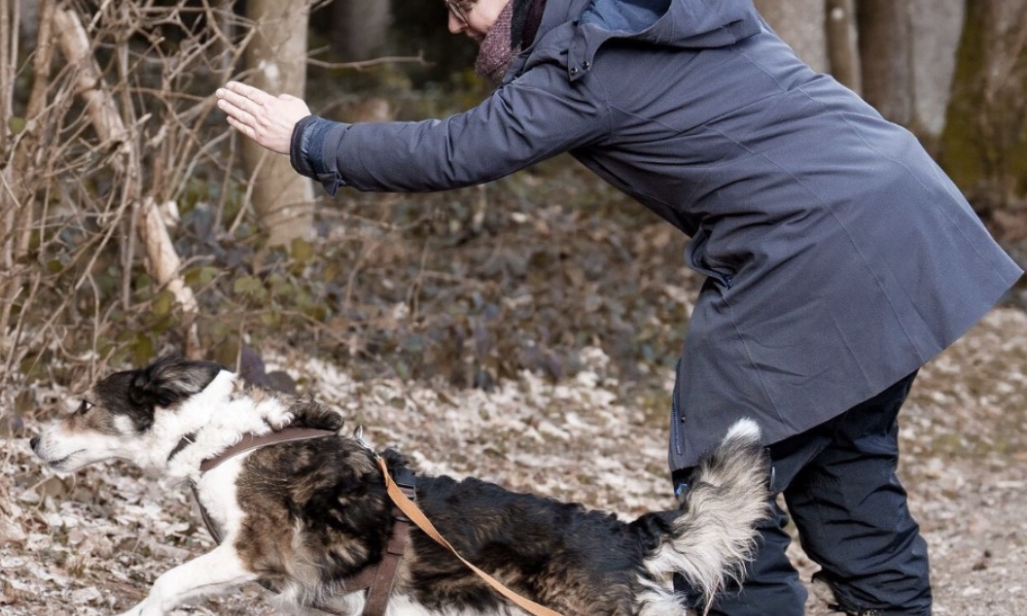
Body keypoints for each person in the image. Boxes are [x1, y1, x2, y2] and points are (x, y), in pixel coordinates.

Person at [215, 1, 1023, 614]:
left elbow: (460, 149)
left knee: (722, 473)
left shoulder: (583, 56)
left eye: (462, 8)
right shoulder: (642, 14)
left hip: (809, 244)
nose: (459, 29)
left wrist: (310, 139)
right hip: (900, 212)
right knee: (842, 459)